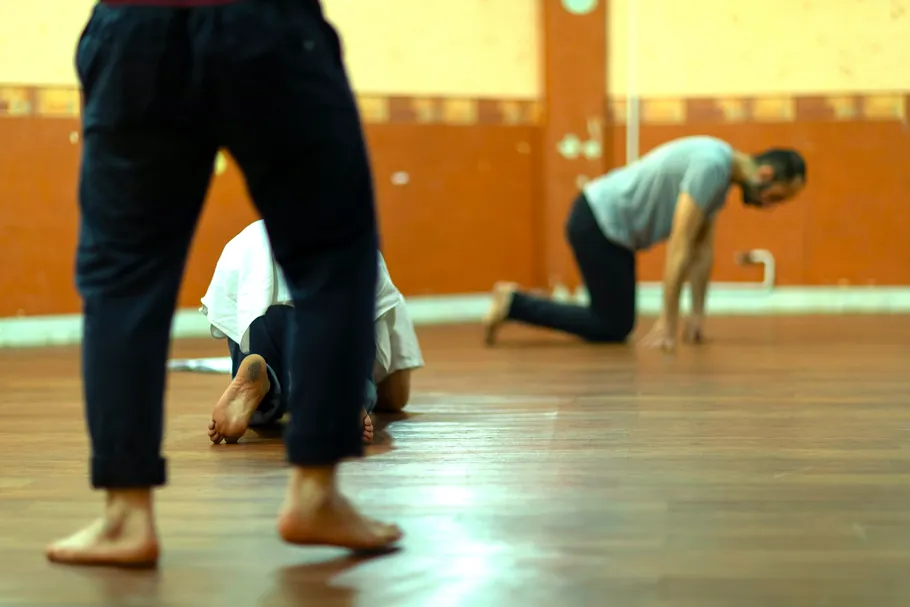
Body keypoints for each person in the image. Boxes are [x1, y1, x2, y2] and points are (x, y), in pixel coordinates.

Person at [46, 0, 402, 568]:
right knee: (332, 258)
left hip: (135, 27)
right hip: (268, 25)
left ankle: (124, 515)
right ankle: (315, 493)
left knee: (124, 279)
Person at [483, 136, 806, 352]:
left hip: (612, 231)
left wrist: (696, 314)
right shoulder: (712, 165)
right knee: (612, 325)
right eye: (774, 198)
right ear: (764, 175)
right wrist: (668, 321)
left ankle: (515, 303)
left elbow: (701, 248)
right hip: (597, 221)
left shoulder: (720, 173)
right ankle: (513, 303)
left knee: (612, 321)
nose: (769, 206)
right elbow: (680, 244)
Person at [201, 220, 424, 445]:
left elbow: (227, 314)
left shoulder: (246, 240)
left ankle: (263, 381)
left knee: (264, 380)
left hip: (257, 280)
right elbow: (396, 396)